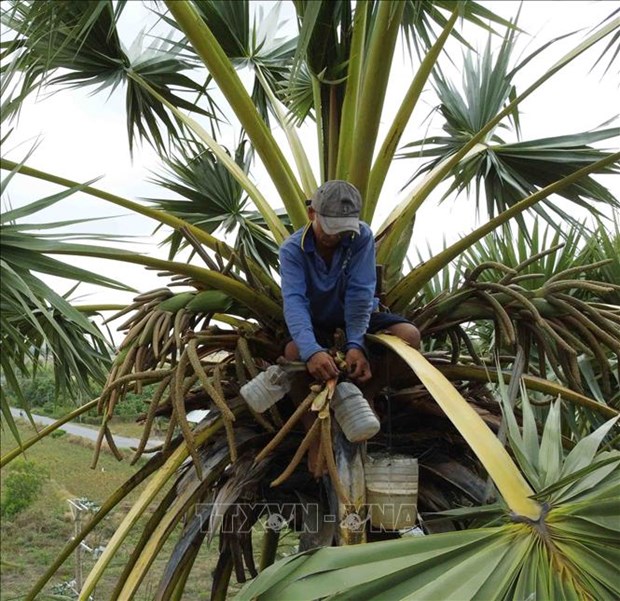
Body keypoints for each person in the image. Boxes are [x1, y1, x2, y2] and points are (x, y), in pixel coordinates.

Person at [279, 180, 420, 384]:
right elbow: (295, 302)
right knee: (293, 352)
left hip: (358, 318)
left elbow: (360, 293)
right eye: (330, 227)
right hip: (316, 323)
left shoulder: (361, 237)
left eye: (341, 229)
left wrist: (356, 344)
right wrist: (311, 351)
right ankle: (309, 416)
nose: (335, 235)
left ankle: (370, 392)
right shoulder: (291, 250)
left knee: (410, 335)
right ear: (312, 213)